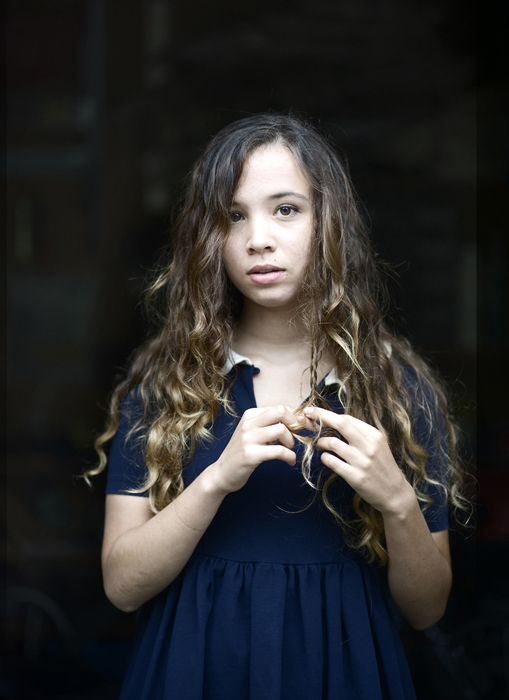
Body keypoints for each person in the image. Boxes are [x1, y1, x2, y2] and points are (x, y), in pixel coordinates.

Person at [87, 113, 469, 700]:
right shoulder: (164, 382)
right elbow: (122, 587)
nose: (257, 239)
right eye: (233, 216)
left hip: (344, 677)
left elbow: (427, 609)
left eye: (285, 209)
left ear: (329, 223)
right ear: (209, 237)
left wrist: (396, 499)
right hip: (193, 673)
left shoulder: (398, 389)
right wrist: (216, 480)